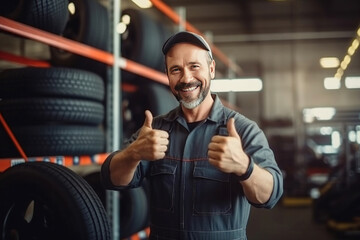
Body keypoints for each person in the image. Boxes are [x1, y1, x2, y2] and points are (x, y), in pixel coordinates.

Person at [101, 31, 283, 239]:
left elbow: (270, 196)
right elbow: (112, 179)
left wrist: (244, 166)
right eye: (176, 70)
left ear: (211, 69)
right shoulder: (154, 130)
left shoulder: (243, 130)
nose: (186, 78)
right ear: (168, 75)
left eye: (194, 66)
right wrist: (133, 153)